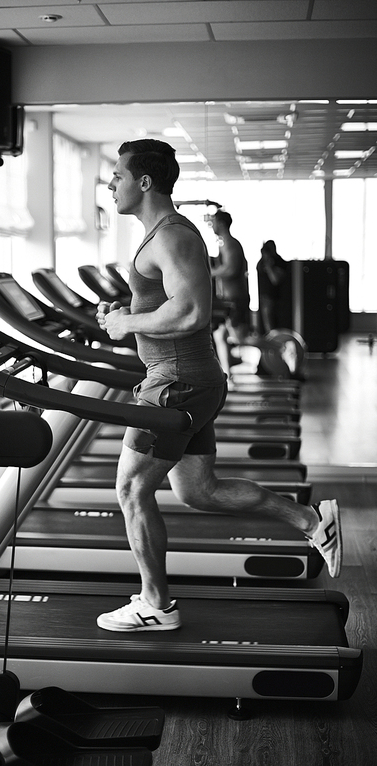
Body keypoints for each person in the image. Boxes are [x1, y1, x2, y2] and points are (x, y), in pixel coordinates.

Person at [95, 138, 342, 632]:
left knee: (130, 487)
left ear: (144, 182)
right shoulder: (162, 236)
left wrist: (129, 326)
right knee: (199, 490)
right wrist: (127, 315)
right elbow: (170, 304)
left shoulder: (170, 236)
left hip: (176, 384)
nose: (111, 185)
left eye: (117, 176)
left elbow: (191, 311)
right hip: (188, 380)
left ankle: (156, 605)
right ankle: (313, 522)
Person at [208, 210, 251, 377]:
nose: (212, 226)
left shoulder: (230, 244)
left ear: (222, 224)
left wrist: (210, 272)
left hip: (235, 298)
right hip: (227, 299)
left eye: (214, 222)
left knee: (240, 338)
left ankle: (280, 348)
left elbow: (231, 269)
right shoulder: (224, 243)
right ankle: (227, 377)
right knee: (219, 336)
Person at [257, 240, 288, 334]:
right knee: (265, 328)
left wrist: (269, 265)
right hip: (263, 298)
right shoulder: (261, 263)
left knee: (273, 329)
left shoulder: (278, 262)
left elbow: (275, 280)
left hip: (275, 299)